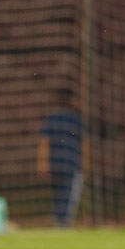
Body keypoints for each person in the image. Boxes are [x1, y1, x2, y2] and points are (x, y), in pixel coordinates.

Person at [37, 87, 88, 227]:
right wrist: (86, 163)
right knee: (70, 195)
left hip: (55, 162)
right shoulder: (76, 119)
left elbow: (44, 142)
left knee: (58, 194)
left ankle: (58, 221)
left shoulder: (51, 119)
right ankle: (64, 223)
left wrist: (42, 163)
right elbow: (85, 143)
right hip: (72, 163)